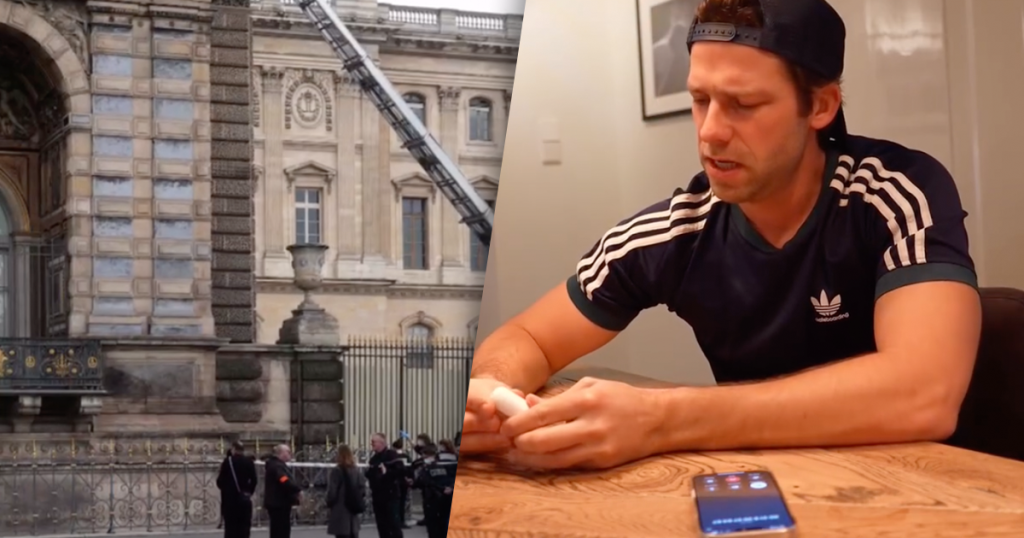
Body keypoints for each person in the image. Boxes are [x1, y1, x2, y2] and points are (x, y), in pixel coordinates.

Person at [462, 0, 982, 471]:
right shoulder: (677, 230)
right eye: (700, 99)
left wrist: (661, 419)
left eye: (743, 104)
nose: (710, 131)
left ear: (821, 107)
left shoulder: (897, 193)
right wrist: (490, 392)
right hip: (767, 491)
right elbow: (527, 338)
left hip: (919, 487)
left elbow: (925, 394)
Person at [364, 433, 405, 538]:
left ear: (381, 443)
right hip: (378, 496)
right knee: (382, 526)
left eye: (374, 442)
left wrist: (386, 473)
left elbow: (400, 472)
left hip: (390, 496)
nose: (372, 444)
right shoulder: (374, 459)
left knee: (394, 524)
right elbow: (371, 474)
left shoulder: (392, 456)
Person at [411, 444, 456, 538]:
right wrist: (450, 488)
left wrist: (412, 483)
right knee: (444, 524)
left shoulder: (427, 467)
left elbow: (422, 481)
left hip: (432, 498)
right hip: (446, 498)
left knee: (434, 527)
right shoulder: (447, 465)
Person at [216, 441, 258, 538]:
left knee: (231, 528)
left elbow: (220, 481)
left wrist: (227, 490)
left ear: (233, 449)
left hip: (230, 501)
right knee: (244, 527)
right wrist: (248, 492)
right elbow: (254, 480)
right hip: (244, 499)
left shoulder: (228, 462)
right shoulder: (249, 462)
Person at [326, 444, 367, 538]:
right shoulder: (356, 470)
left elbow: (332, 491)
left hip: (340, 510)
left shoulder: (336, 471)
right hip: (353, 511)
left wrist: (329, 502)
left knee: (342, 535)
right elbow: (362, 488)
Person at [263, 445, 302, 538]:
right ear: (281, 453)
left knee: (279, 529)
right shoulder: (277, 466)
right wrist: (297, 489)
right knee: (281, 530)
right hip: (279, 503)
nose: (290, 454)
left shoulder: (277, 465)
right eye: (288, 452)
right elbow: (283, 479)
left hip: (278, 503)